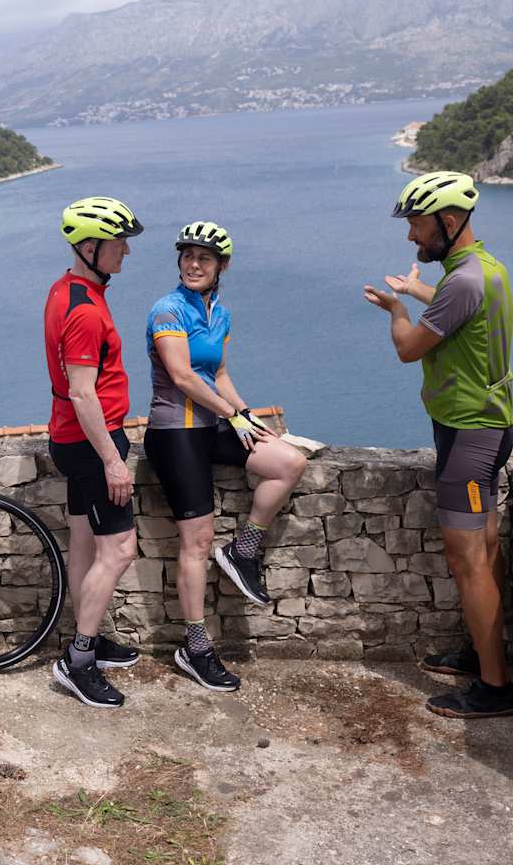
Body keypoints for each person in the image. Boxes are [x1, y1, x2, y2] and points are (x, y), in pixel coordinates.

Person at [364, 171, 513, 719]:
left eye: (417, 225)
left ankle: (495, 688)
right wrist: (415, 290)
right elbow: (457, 306)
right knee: (488, 550)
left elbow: (409, 348)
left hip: (469, 437)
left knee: (468, 558)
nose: (411, 236)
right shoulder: (481, 269)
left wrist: (398, 312)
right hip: (488, 427)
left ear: (448, 223)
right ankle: (483, 653)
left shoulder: (463, 281)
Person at [143, 221, 306, 692]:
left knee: (288, 462)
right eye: (188, 256)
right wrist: (231, 418)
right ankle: (195, 647)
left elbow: (218, 373)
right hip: (175, 433)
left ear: (222, 266)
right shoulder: (167, 309)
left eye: (205, 258)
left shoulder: (220, 313)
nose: (194, 264)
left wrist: (245, 415)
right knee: (195, 541)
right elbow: (183, 377)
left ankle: (243, 549)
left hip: (212, 426)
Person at [44, 196, 145, 708]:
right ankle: (78, 661)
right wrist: (112, 460)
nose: (126, 250)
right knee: (121, 550)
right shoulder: (84, 309)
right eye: (118, 242)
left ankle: (88, 635)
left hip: (69, 437)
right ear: (89, 247)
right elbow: (83, 392)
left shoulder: (66, 288)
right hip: (92, 442)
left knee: (85, 542)